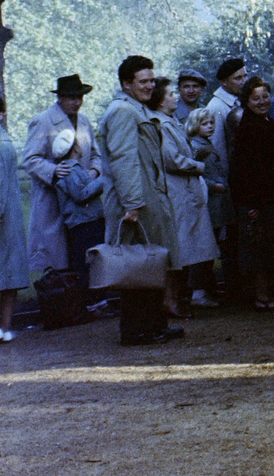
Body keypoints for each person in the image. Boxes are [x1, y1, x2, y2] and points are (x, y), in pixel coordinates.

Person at [97, 56, 183, 346]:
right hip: (135, 201)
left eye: (151, 80)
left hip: (145, 197)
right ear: (126, 84)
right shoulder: (123, 111)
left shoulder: (136, 110)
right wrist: (132, 203)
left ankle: (153, 324)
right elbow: (124, 160)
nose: (150, 86)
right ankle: (137, 330)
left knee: (150, 262)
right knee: (137, 267)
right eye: (143, 81)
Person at [21, 74, 103, 281]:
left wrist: (93, 172)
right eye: (71, 97)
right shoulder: (43, 121)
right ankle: (60, 305)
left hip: (82, 202)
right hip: (53, 201)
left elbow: (95, 154)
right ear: (60, 98)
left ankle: (84, 304)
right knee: (57, 259)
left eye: (79, 97)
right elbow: (30, 159)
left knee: (83, 255)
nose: (76, 102)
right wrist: (53, 171)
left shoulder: (84, 121)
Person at [153, 77, 220, 314]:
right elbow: (172, 159)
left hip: (185, 192)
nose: (175, 98)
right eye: (171, 94)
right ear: (161, 101)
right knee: (177, 248)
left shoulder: (170, 122)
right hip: (176, 192)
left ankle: (179, 298)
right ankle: (171, 300)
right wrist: (198, 165)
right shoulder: (160, 124)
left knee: (186, 249)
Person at [230, 75, 274, 309]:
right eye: (255, 98)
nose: (262, 102)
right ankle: (262, 295)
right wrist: (251, 205)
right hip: (260, 200)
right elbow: (244, 171)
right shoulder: (248, 128)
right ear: (246, 101)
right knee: (260, 249)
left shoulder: (267, 122)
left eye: (265, 96)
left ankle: (271, 293)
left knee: (272, 246)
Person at [202, 58, 247, 299]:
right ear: (224, 82)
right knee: (227, 235)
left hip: (235, 178)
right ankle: (231, 288)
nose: (243, 81)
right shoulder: (216, 107)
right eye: (238, 78)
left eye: (244, 76)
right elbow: (217, 149)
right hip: (225, 181)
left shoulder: (235, 102)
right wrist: (226, 182)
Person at [0, 97, 28, 343]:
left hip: (2, 219)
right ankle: (5, 327)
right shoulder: (4, 142)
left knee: (5, 275)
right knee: (7, 276)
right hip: (8, 218)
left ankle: (4, 327)